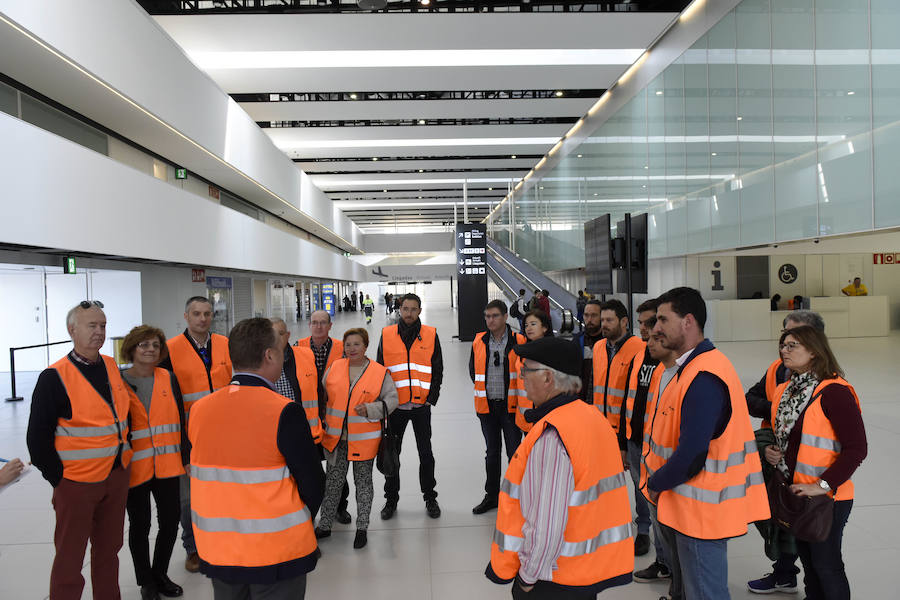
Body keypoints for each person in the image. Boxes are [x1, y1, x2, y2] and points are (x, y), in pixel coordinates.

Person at [643, 287, 769, 600]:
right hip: (691, 506)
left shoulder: (704, 376)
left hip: (701, 512)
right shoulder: (689, 368)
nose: (655, 328)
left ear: (687, 322)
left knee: (705, 592)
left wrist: (657, 483)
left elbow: (693, 453)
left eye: (662, 319)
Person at [486, 336, 634, 600]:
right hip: (587, 571)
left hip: (554, 578)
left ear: (548, 378)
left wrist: (527, 579)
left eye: (526, 370)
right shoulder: (593, 418)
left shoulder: (554, 436)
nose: (521, 377)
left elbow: (547, 525)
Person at [189, 318, 324, 600]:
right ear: (270, 355)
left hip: (220, 549)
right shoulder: (283, 411)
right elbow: (312, 483)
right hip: (275, 550)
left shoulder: (200, 409)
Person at [27, 300, 133, 600]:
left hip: (116, 475)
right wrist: (59, 479)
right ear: (72, 330)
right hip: (75, 483)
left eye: (103, 326)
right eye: (92, 326)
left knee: (109, 550)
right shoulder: (54, 376)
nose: (99, 332)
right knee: (70, 556)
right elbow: (37, 438)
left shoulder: (111, 366)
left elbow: (123, 415)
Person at [764, 326, 866, 600]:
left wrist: (822, 485)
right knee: (810, 565)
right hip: (797, 494)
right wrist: (772, 452)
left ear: (813, 350)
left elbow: (857, 449)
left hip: (828, 498)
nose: (784, 350)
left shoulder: (835, 392)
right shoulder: (786, 390)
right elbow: (787, 439)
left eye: (792, 345)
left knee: (827, 565)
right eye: (783, 345)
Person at [745, 310, 826, 594]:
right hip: (777, 460)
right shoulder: (777, 370)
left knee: (819, 552)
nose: (786, 343)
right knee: (777, 519)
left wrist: (826, 484)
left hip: (813, 478)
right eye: (784, 335)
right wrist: (779, 410)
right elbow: (749, 400)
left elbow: (853, 447)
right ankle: (785, 572)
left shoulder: (827, 382)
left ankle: (795, 576)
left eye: (796, 337)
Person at [161, 296, 233, 573]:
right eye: (196, 314)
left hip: (223, 433)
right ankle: (193, 548)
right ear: (186, 316)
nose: (202, 319)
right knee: (189, 497)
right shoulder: (171, 350)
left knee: (223, 490)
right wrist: (181, 445)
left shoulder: (225, 345)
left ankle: (220, 541)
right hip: (189, 435)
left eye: (207, 314)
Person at [120, 325, 188, 600]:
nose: (150, 349)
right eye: (143, 345)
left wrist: (185, 456)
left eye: (155, 345)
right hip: (135, 467)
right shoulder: (118, 381)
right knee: (140, 525)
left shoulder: (168, 377)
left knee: (171, 521)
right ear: (132, 349)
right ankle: (145, 581)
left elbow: (180, 420)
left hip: (168, 464)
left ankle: (160, 573)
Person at [317, 328, 398, 549]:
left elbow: (392, 400)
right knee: (333, 483)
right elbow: (323, 396)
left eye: (357, 344)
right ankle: (325, 525)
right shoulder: (334, 368)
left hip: (364, 441)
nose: (352, 348)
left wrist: (372, 409)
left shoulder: (379, 373)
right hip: (336, 439)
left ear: (365, 346)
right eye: (348, 344)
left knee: (363, 484)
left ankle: (362, 528)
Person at [377, 293, 443, 520]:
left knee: (426, 453)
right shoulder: (386, 335)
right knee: (392, 454)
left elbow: (437, 369)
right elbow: (379, 370)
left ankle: (430, 497)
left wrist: (430, 398)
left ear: (419, 310)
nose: (408, 313)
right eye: (405, 308)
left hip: (421, 407)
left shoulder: (430, 335)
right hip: (395, 408)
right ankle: (390, 500)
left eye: (413, 309)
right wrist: (384, 401)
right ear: (399, 309)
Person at [630, 318, 678, 588]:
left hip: (665, 457)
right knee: (654, 508)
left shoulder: (677, 373)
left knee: (667, 519)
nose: (647, 340)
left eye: (654, 337)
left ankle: (673, 570)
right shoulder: (646, 361)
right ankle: (664, 564)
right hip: (643, 444)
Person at [468, 300, 527, 515]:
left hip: (511, 408)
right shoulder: (479, 341)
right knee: (492, 453)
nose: (490, 320)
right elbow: (473, 371)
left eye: (494, 316)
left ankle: (516, 496)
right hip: (487, 407)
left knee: (515, 453)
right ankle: (491, 496)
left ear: (504, 317)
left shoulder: (519, 340)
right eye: (487, 316)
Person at [294, 312, 350, 524]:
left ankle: (339, 507)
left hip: (334, 417)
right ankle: (307, 511)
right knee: (308, 468)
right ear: (309, 325)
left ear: (330, 325)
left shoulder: (340, 348)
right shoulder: (296, 347)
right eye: (314, 323)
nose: (318, 327)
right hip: (307, 420)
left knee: (337, 466)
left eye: (323, 323)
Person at [611, 298, 655, 558]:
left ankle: (660, 550)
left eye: (650, 322)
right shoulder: (640, 356)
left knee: (654, 496)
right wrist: (624, 443)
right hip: (635, 438)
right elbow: (629, 400)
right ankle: (644, 531)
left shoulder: (668, 360)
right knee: (640, 488)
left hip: (657, 442)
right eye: (641, 324)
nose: (644, 329)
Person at [593, 299, 645, 439]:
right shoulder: (598, 347)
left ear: (624, 322)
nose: (604, 324)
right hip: (598, 426)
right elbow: (592, 387)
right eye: (602, 320)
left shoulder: (639, 348)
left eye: (609, 320)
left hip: (625, 430)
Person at [510, 309, 554, 432]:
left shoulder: (554, 351)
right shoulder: (522, 352)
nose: (529, 328)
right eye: (526, 325)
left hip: (548, 419)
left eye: (533, 324)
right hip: (526, 418)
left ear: (545, 328)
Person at [573, 299, 603, 401]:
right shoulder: (576, 341)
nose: (589, 319)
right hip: (580, 401)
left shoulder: (608, 343)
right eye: (586, 315)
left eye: (594, 315)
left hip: (601, 401)